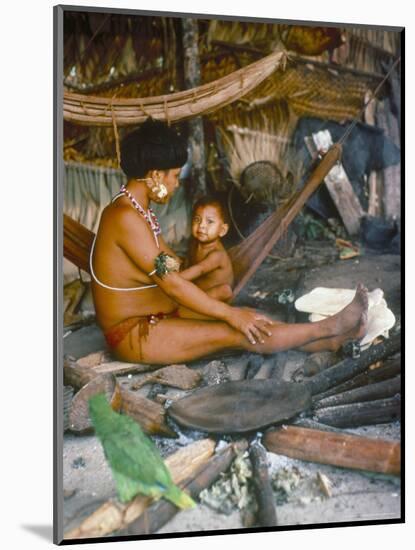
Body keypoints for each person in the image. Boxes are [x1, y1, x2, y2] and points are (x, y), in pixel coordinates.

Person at [90, 118, 368, 365]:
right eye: (174, 176)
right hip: (135, 332)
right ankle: (330, 327)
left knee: (249, 316)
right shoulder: (124, 218)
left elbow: (166, 263)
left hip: (159, 312)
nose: (176, 184)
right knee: (237, 328)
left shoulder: (140, 212)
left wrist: (203, 270)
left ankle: (332, 342)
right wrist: (227, 313)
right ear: (155, 176)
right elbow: (171, 282)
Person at [179, 197, 234, 303]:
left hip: (212, 298)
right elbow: (187, 265)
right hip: (197, 292)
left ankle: (185, 306)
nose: (201, 226)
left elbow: (199, 269)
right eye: (197, 219)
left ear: (222, 230)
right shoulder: (194, 243)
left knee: (224, 291)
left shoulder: (218, 255)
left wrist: (172, 281)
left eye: (209, 222)